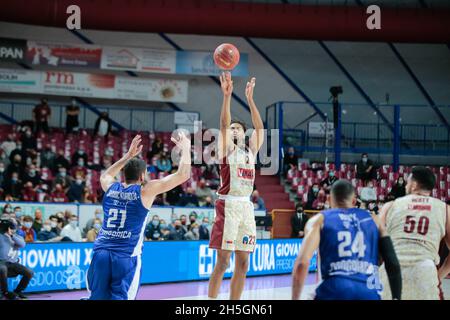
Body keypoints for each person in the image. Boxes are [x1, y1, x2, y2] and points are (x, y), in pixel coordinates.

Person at [86, 133, 191, 300]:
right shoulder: (145, 191)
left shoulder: (111, 187)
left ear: (124, 174)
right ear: (142, 176)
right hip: (125, 256)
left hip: (101, 253)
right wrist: (185, 147)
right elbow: (183, 175)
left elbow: (105, 175)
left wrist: (127, 156)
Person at [291, 180, 402, 300]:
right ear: (354, 201)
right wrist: (396, 297)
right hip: (368, 293)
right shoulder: (375, 220)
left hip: (333, 291)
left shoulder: (319, 220)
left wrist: (295, 298)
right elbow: (392, 263)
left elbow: (302, 263)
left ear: (329, 200)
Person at [208, 72, 264, 300]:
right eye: (231, 129)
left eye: (238, 128)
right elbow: (222, 123)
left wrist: (250, 100)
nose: (233, 130)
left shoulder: (251, 151)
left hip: (246, 209)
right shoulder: (226, 149)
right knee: (222, 263)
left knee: (243, 264)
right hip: (227, 207)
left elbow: (259, 129)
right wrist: (227, 96)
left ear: (243, 133)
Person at [378, 166, 450, 300]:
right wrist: (439, 275)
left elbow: (374, 240)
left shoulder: (390, 205)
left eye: (407, 182)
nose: (406, 186)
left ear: (414, 185)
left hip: (393, 269)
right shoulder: (445, 209)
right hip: (425, 269)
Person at [0, 218, 34, 300]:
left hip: (13, 263)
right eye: (10, 227)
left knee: (29, 272)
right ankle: (5, 292)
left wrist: (11, 235)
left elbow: (22, 244)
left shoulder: (17, 237)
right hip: (1, 262)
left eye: (13, 227)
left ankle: (17, 291)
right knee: (2, 268)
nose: (12, 229)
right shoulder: (0, 236)